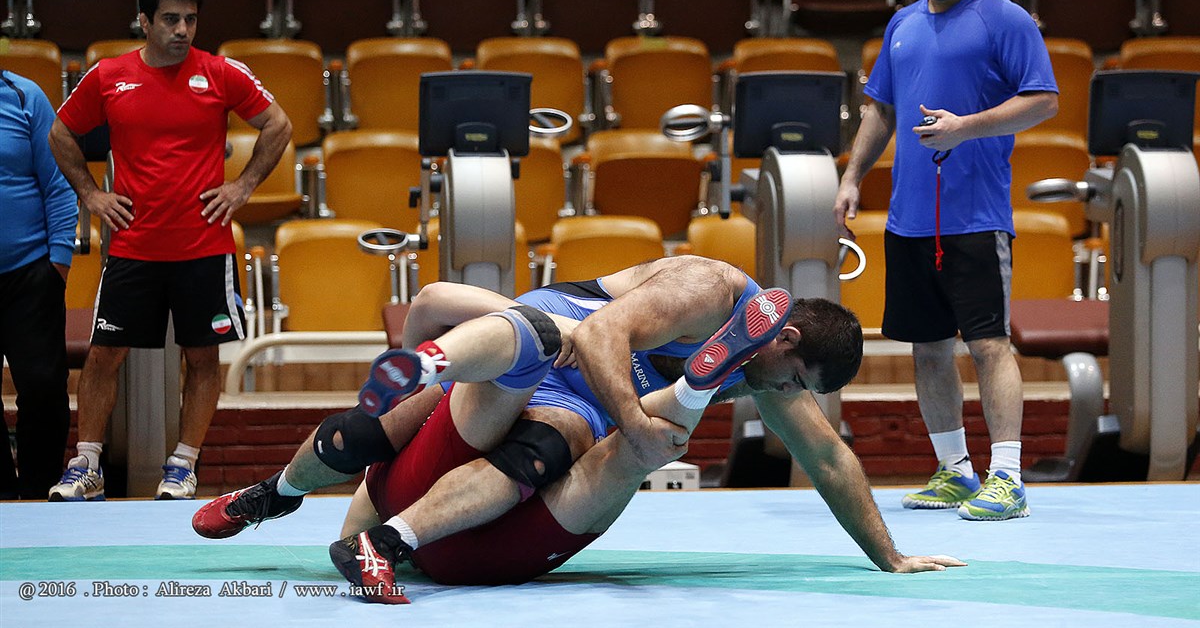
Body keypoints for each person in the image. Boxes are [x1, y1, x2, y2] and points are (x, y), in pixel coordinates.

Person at [194, 256, 963, 603]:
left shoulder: (761, 359)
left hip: (581, 403)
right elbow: (602, 336)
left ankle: (388, 517)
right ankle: (276, 492)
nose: (789, 397)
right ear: (786, 339)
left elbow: (828, 457)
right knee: (379, 431)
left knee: (547, 445)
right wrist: (634, 424)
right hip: (561, 341)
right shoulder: (712, 290)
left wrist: (889, 556)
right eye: (795, 382)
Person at [834, 0, 1059, 521]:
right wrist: (852, 177)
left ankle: (1007, 479)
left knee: (988, 346)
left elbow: (1043, 101)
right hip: (909, 219)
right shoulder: (903, 23)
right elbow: (882, 109)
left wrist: (966, 128)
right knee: (928, 348)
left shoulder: (1005, 19)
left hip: (976, 218)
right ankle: (955, 471)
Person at [46, 0, 292, 501]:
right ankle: (86, 464)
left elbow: (279, 125)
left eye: (191, 20)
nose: (182, 30)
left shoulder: (221, 73)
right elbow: (61, 133)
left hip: (204, 247)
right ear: (145, 21)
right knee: (104, 354)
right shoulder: (109, 76)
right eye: (170, 19)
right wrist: (91, 194)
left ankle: (183, 465)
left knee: (202, 359)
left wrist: (243, 186)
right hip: (133, 247)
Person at [0, 69, 76, 500]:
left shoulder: (24, 96)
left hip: (30, 273)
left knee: (43, 389)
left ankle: (37, 493)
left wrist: (58, 264)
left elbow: (59, 182)